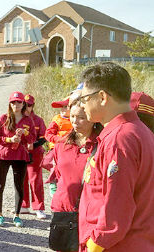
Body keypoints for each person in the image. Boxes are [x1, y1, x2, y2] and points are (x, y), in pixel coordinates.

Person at [75, 62, 154, 251]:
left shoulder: (119, 139)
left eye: (84, 98)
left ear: (102, 97)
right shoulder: (139, 132)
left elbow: (116, 209)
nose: (82, 105)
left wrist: (93, 246)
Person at [50, 104, 102, 252]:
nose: (75, 121)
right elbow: (60, 176)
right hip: (63, 210)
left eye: (81, 117)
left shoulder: (101, 144)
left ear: (93, 119)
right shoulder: (61, 144)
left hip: (90, 214)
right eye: (72, 116)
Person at [0, 91, 34, 228]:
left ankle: (16, 216)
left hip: (20, 156)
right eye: (13, 102)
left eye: (19, 102)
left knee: (19, 186)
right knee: (0, 185)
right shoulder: (3, 118)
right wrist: (10, 139)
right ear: (9, 104)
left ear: (23, 104)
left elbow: (33, 138)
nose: (16, 104)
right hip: (3, 155)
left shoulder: (28, 120)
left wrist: (26, 133)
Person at [20, 94, 48, 219]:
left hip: (35, 153)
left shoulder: (38, 120)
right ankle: (24, 205)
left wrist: (33, 145)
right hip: (20, 153)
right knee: (22, 179)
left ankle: (39, 207)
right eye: (24, 105)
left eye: (29, 105)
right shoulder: (17, 119)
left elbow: (43, 138)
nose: (27, 107)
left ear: (33, 106)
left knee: (35, 179)